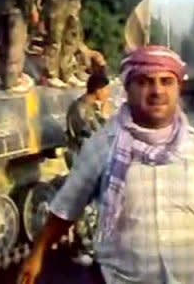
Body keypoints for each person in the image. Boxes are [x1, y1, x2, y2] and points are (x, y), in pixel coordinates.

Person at [19, 45, 194, 284]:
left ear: (178, 88)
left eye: (166, 81)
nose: (157, 91)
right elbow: (66, 207)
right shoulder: (103, 145)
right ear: (127, 88)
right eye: (144, 82)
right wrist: (37, 254)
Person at [65, 71, 111, 266]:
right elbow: (99, 134)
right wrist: (107, 115)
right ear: (98, 89)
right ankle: (83, 248)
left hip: (89, 161)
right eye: (106, 89)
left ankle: (90, 246)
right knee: (86, 208)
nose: (108, 93)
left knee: (92, 208)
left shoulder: (88, 107)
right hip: (82, 162)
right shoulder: (82, 109)